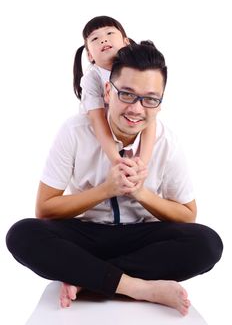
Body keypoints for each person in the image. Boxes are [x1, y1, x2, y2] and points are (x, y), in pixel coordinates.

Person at [6, 41, 223, 316]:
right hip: (87, 234)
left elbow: (188, 215)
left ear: (160, 103)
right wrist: (106, 189)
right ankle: (138, 287)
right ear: (108, 91)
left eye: (150, 99)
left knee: (207, 243)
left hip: (141, 237)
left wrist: (142, 193)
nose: (136, 109)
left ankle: (88, 278)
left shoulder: (167, 142)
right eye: (127, 95)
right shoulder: (74, 131)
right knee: (22, 235)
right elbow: (45, 209)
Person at [73, 15, 156, 165]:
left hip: (128, 128)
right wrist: (118, 163)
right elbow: (98, 121)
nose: (103, 40)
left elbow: (150, 118)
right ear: (90, 56)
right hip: (98, 135)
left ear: (126, 42)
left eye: (109, 33)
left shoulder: (136, 69)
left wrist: (142, 164)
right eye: (95, 39)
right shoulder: (91, 78)